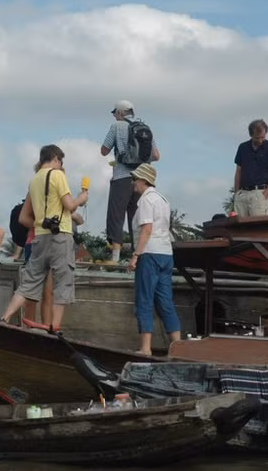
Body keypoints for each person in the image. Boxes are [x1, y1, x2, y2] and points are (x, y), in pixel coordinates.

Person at [0, 144, 89, 331]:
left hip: (40, 237)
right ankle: (54, 326)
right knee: (62, 283)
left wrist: (41, 223)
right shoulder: (58, 175)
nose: (60, 165)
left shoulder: (34, 180)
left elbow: (24, 217)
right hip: (61, 236)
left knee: (30, 282)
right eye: (60, 161)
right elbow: (70, 205)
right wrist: (82, 197)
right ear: (55, 158)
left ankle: (5, 317)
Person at [126, 164, 181, 355]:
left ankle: (145, 348)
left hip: (149, 254)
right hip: (166, 254)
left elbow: (146, 230)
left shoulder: (146, 201)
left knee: (144, 299)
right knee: (165, 301)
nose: (133, 183)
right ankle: (178, 347)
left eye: (135, 179)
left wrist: (135, 256)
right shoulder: (163, 200)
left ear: (143, 181)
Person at [100, 100, 160, 264]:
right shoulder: (145, 128)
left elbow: (104, 151)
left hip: (121, 177)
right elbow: (156, 155)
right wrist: (139, 160)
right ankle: (138, 256)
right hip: (141, 180)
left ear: (120, 113)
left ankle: (115, 257)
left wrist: (123, 157)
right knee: (137, 217)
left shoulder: (116, 127)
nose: (114, 116)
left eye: (115, 113)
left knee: (116, 216)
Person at [232, 119, 268, 217]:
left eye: (263, 137)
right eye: (257, 138)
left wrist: (265, 194)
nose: (260, 140)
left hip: (259, 193)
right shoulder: (243, 147)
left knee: (259, 228)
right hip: (242, 193)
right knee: (240, 228)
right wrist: (236, 194)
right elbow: (238, 171)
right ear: (251, 135)